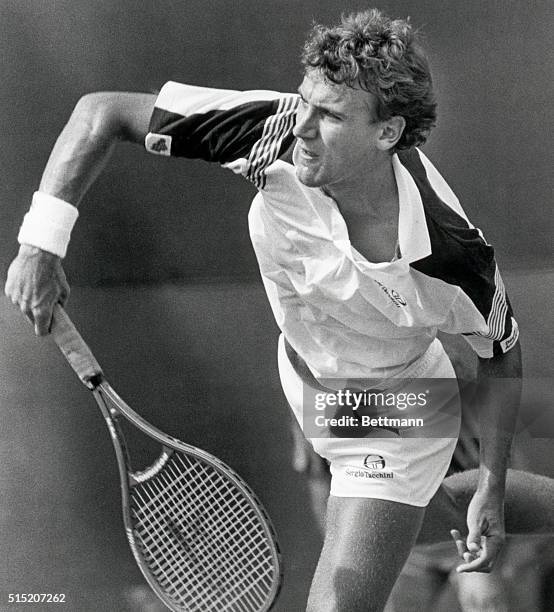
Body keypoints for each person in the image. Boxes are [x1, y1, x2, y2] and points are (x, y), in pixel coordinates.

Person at [4, 8, 553, 612]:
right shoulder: (272, 128)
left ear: (388, 133)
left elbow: (501, 352)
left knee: (339, 599)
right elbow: (100, 113)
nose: (304, 128)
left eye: (332, 116)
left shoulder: (449, 251)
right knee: (431, 518)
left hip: (393, 402)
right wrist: (40, 245)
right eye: (305, 103)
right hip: (304, 376)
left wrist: (497, 480)